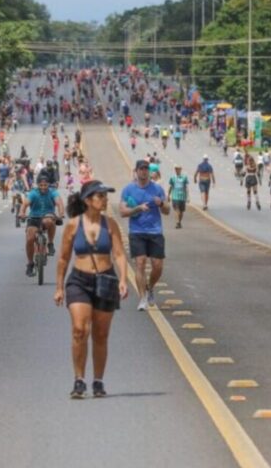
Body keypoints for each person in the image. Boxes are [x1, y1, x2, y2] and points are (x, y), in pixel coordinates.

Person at [54, 180, 128, 399]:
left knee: (101, 334)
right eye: (100, 196)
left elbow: (120, 254)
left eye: (105, 196)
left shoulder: (110, 224)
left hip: (106, 279)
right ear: (88, 200)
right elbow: (63, 258)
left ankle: (98, 380)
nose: (105, 200)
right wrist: (59, 287)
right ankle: (79, 379)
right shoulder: (73, 225)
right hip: (79, 280)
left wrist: (123, 279)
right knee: (79, 329)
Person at [121, 159, 170, 311]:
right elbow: (122, 212)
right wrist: (138, 209)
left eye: (146, 169)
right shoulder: (128, 189)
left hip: (155, 231)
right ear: (136, 171)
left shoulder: (157, 189)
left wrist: (161, 203)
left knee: (158, 266)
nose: (144, 171)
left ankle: (150, 287)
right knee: (140, 263)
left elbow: (168, 211)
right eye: (141, 169)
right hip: (137, 232)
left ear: (149, 171)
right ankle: (142, 298)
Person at [19, 176, 64, 277]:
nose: (43, 187)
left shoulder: (53, 192)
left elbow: (59, 203)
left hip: (47, 216)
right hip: (34, 218)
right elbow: (25, 204)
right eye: (41, 185)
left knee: (50, 220)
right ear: (38, 185)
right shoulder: (33, 193)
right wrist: (22, 213)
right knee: (30, 239)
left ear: (49, 184)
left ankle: (50, 243)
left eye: (45, 185)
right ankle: (30, 264)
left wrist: (61, 214)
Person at [168, 164, 189, 229]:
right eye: (176, 169)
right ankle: (177, 222)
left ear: (180, 169)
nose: (177, 170)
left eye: (178, 169)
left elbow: (186, 187)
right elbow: (171, 186)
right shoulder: (172, 178)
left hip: (182, 197)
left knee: (181, 211)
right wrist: (168, 195)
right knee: (177, 210)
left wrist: (188, 197)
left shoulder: (184, 177)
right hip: (175, 196)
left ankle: (179, 222)